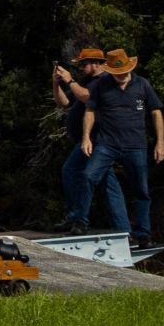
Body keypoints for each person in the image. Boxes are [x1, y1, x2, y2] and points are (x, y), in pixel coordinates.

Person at [80, 47, 164, 243]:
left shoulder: (142, 85)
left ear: (129, 67)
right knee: (88, 176)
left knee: (140, 190)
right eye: (116, 73)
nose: (120, 76)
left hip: (136, 145)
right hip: (107, 143)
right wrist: (86, 137)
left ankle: (143, 233)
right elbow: (90, 110)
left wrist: (160, 143)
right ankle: (80, 220)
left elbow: (156, 113)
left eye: (123, 72)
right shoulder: (102, 85)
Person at [52, 47, 106, 229]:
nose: (81, 67)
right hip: (85, 140)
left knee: (72, 171)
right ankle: (123, 226)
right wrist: (57, 83)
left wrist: (70, 80)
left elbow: (85, 97)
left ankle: (77, 218)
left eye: (84, 64)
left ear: (96, 63)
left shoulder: (103, 81)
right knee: (109, 185)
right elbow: (64, 103)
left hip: (97, 139)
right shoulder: (86, 81)